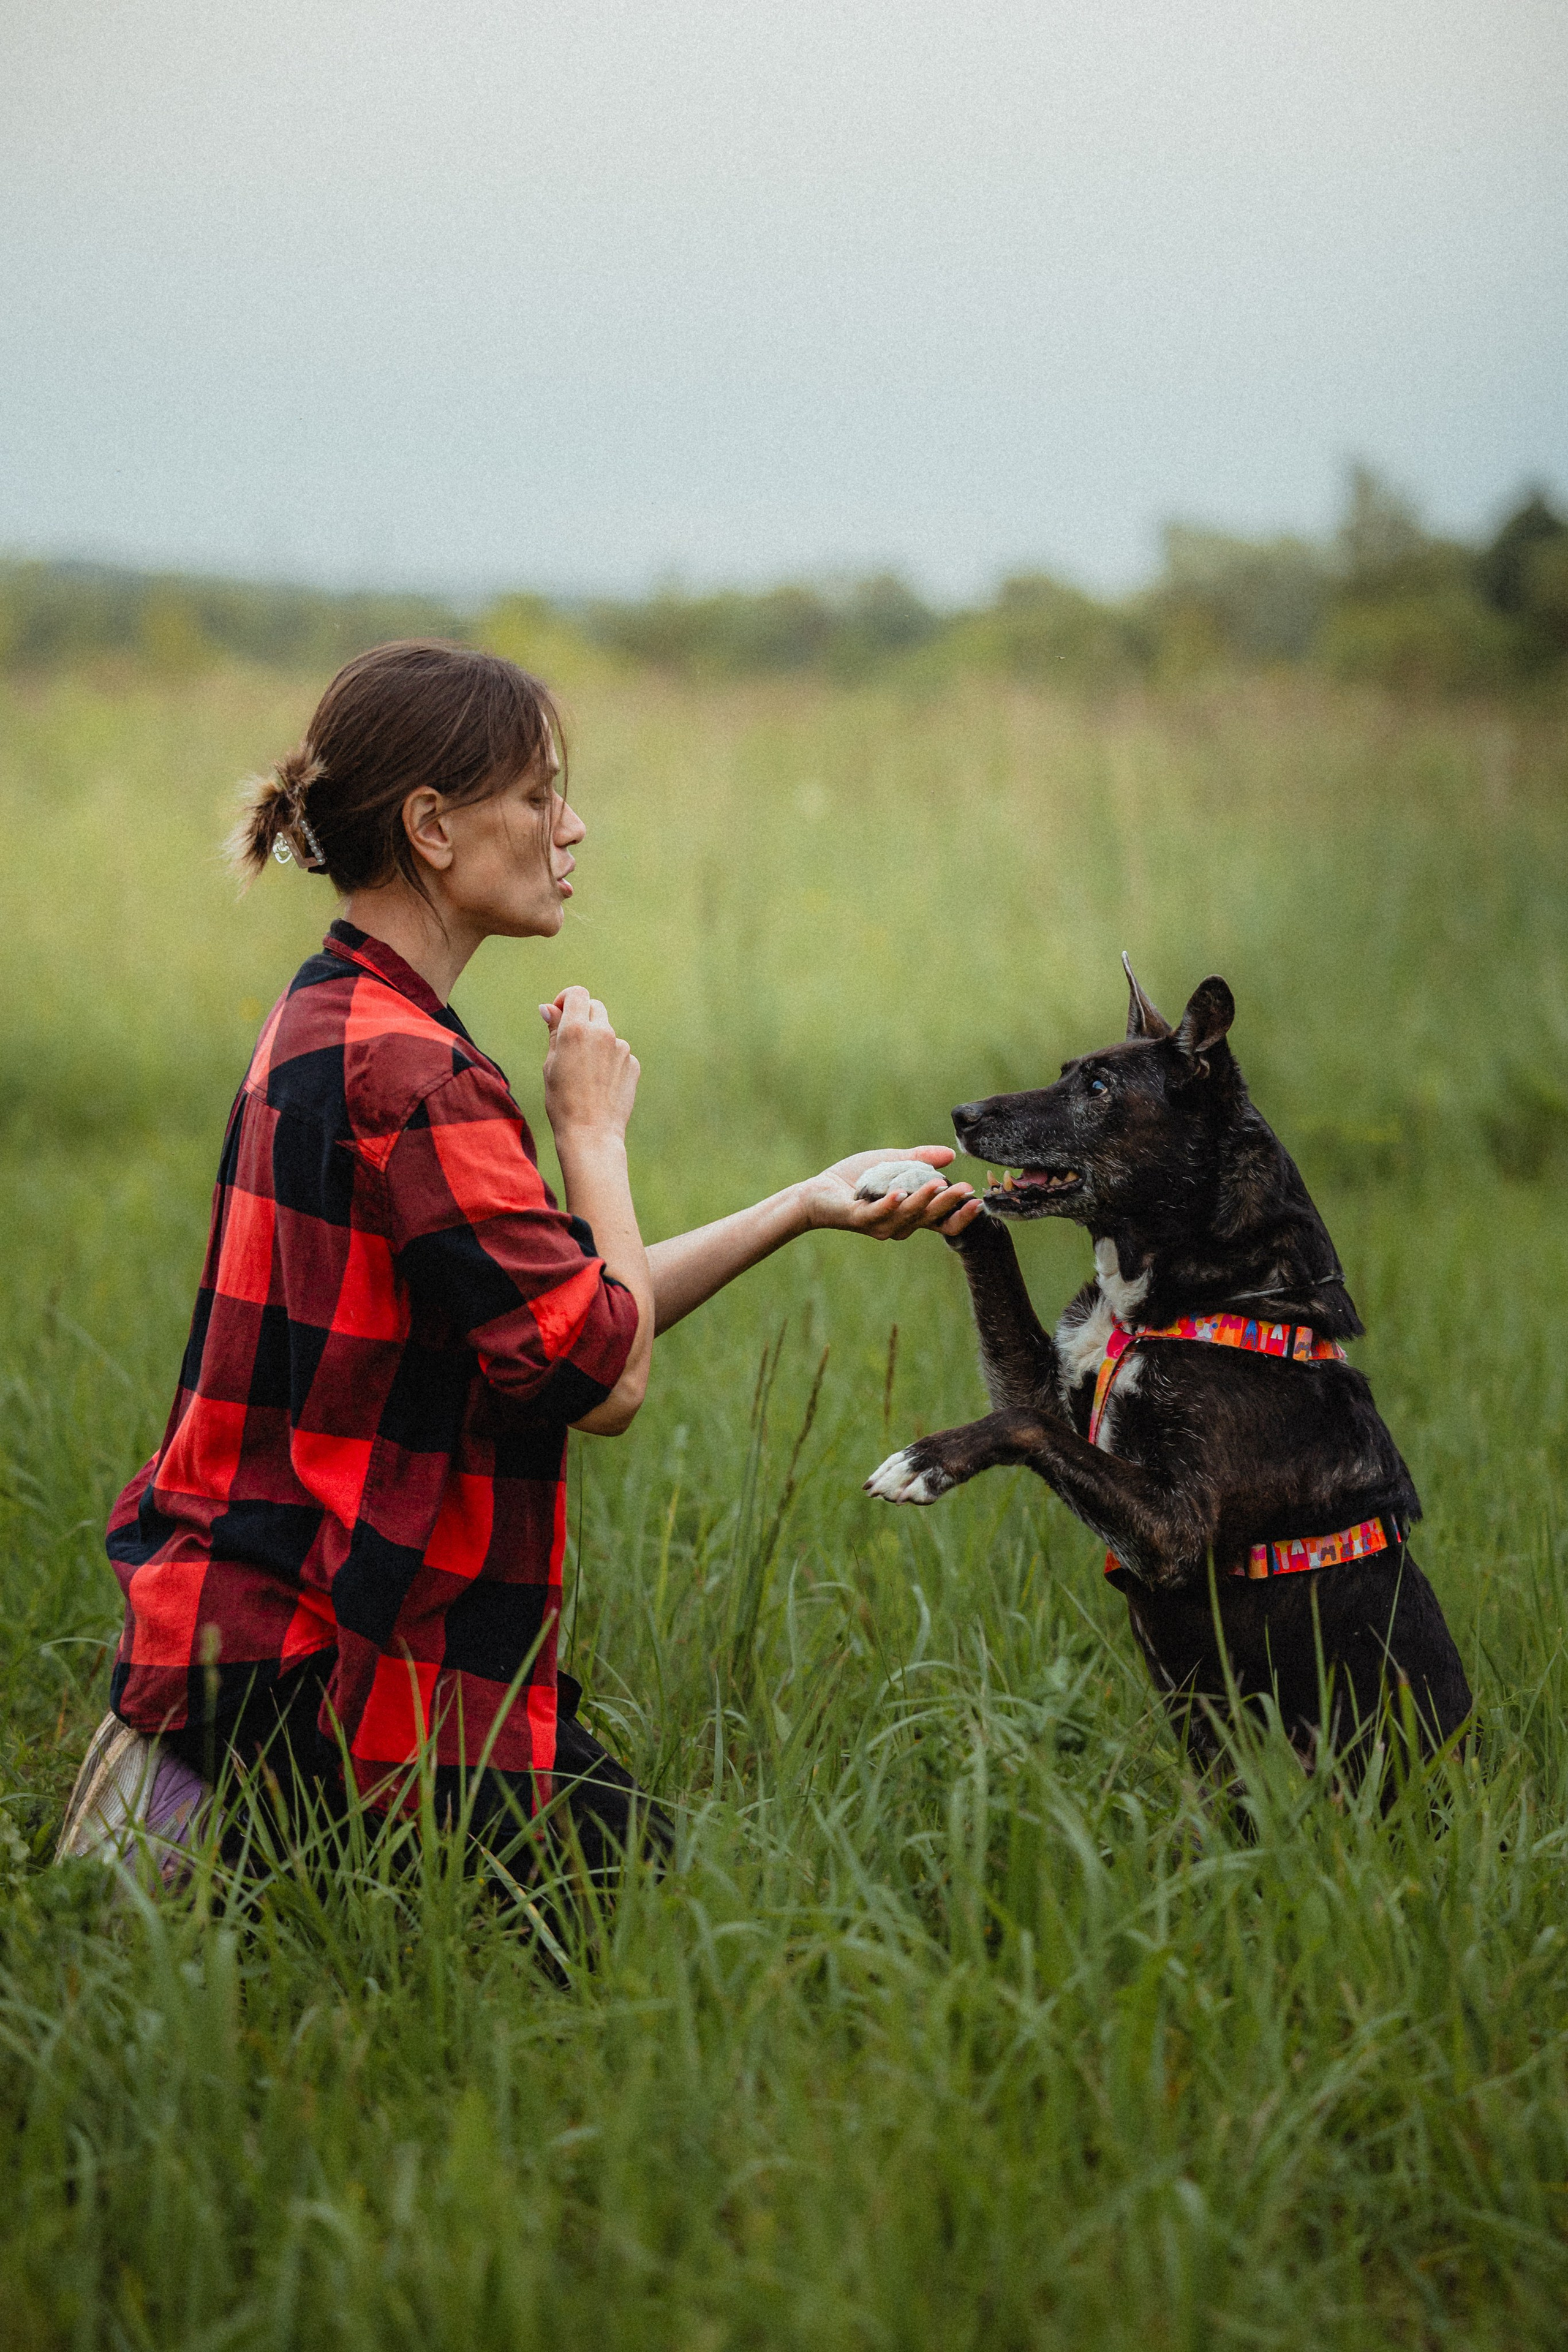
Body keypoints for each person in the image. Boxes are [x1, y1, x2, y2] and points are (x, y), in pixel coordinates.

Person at [62, 640, 977, 1879]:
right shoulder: (416, 1074)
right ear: (431, 825)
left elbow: (551, 1317)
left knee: (614, 1881)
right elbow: (602, 1379)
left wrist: (798, 1206)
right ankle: (206, 1823)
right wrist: (590, 1131)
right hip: (343, 1662)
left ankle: (193, 1809)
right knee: (641, 1916)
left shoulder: (326, 1014)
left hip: (258, 1629)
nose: (573, 827)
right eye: (541, 795)